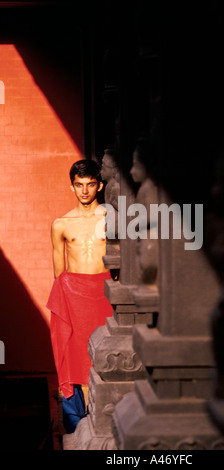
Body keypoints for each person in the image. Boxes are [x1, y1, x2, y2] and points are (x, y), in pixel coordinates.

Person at [46, 159, 113, 434]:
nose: (84, 191)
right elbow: (59, 274)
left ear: (99, 185)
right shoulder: (61, 224)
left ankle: (108, 418)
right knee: (72, 353)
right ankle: (77, 424)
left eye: (90, 185)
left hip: (105, 290)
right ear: (71, 186)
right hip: (73, 293)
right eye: (79, 185)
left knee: (107, 351)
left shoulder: (111, 219)